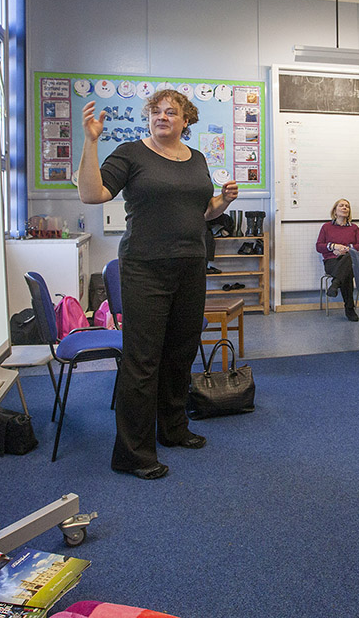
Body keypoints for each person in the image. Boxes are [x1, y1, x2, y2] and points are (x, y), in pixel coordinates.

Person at [76, 90, 238, 480]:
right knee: (143, 360)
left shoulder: (197, 159)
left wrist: (224, 202)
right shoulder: (131, 153)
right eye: (156, 112)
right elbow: (91, 193)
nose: (163, 117)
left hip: (191, 265)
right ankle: (132, 453)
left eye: (171, 112)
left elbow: (203, 211)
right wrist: (91, 141)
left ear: (186, 120)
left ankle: (173, 427)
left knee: (181, 352)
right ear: (149, 118)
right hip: (145, 268)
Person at [315, 198, 359, 322]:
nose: (344, 208)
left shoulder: (354, 228)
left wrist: (346, 249)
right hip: (331, 261)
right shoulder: (326, 227)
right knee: (346, 274)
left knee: (348, 259)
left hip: (348, 260)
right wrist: (333, 247)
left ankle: (335, 284)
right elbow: (319, 246)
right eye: (341, 206)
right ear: (335, 211)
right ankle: (349, 308)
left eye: (347, 206)